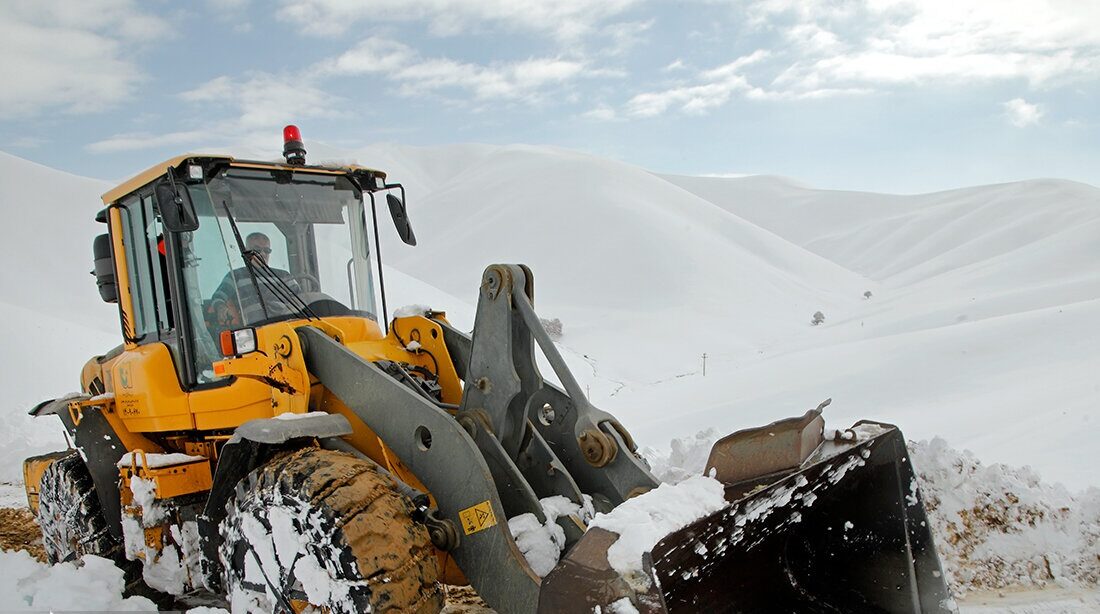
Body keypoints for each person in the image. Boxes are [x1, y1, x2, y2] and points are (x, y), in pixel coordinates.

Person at [209, 232, 302, 329]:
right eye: (257, 250)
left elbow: (301, 300)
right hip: (253, 332)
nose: (262, 253)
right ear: (246, 251)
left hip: (285, 328)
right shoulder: (236, 276)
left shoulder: (284, 276)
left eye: (266, 250)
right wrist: (221, 308)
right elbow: (218, 296)